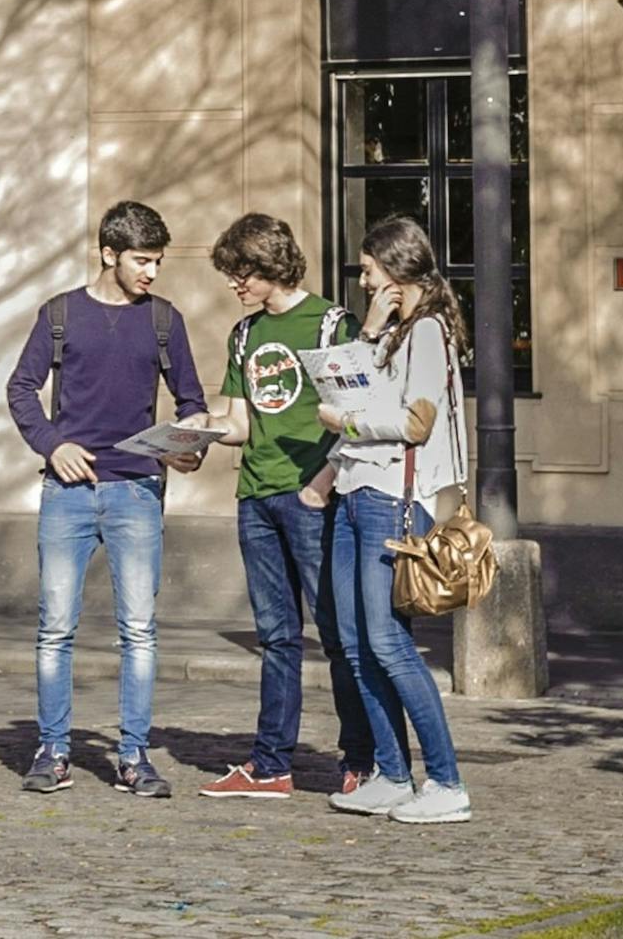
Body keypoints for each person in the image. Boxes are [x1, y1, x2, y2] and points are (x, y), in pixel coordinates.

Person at [5, 200, 207, 798]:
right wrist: (51, 444)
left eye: (158, 262)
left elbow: (191, 401)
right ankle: (52, 750)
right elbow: (20, 389)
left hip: (138, 492)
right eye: (142, 260)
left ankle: (134, 756)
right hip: (66, 493)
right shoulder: (60, 315)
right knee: (55, 629)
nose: (151, 272)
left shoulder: (164, 321)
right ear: (108, 253)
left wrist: (187, 445)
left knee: (140, 630)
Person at [194, 213, 376, 801]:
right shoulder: (244, 335)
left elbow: (358, 419)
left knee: (339, 634)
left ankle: (362, 759)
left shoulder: (330, 325)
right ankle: (271, 764)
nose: (234, 284)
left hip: (311, 498)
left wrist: (322, 483)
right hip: (256, 498)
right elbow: (241, 424)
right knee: (276, 636)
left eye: (241, 272)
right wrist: (195, 432)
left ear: (270, 265)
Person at [315, 215, 473, 824]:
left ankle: (447, 782)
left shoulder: (428, 333)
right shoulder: (391, 333)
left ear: (398, 274)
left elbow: (415, 423)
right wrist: (373, 327)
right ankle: (390, 771)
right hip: (356, 492)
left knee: (389, 644)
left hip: (392, 499)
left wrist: (346, 424)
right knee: (357, 645)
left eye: (368, 271)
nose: (361, 281)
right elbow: (345, 384)